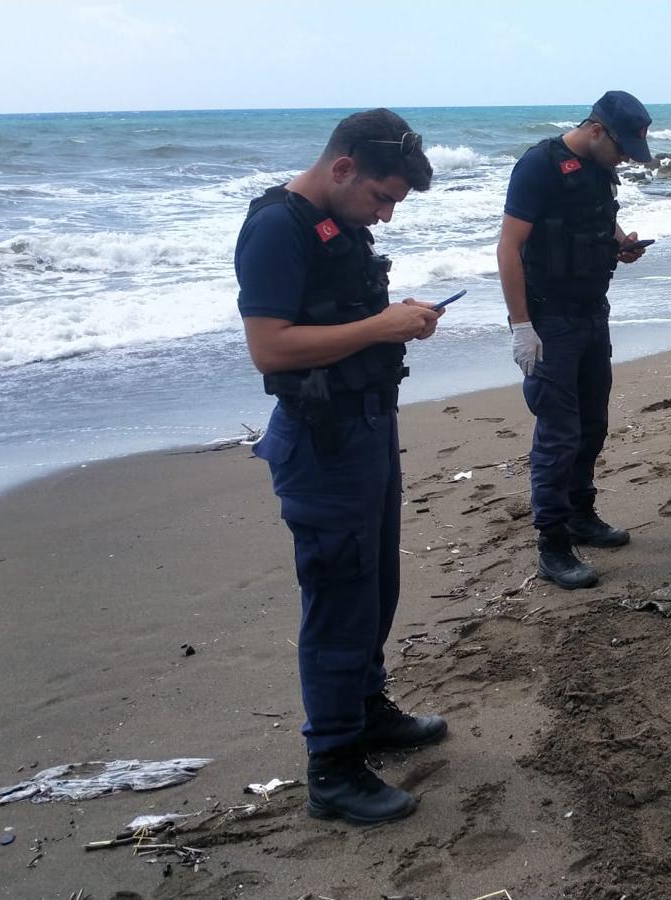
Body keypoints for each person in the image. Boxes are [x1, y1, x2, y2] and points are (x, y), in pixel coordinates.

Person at [236, 108, 449, 826]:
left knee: (374, 587)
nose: (385, 217)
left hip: (366, 427)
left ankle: (366, 710)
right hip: (320, 441)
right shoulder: (275, 228)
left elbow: (340, 322)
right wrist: (382, 325)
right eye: (380, 199)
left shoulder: (342, 222)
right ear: (342, 168)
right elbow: (269, 347)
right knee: (337, 600)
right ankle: (332, 767)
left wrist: (400, 318)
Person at [496, 91, 654, 589]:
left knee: (592, 425)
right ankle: (552, 544)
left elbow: (596, 218)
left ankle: (581, 515)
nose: (626, 157)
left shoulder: (600, 169)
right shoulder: (538, 166)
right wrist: (521, 326)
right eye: (622, 147)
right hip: (548, 322)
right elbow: (509, 246)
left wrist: (620, 242)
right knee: (557, 435)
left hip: (591, 313)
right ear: (596, 130)